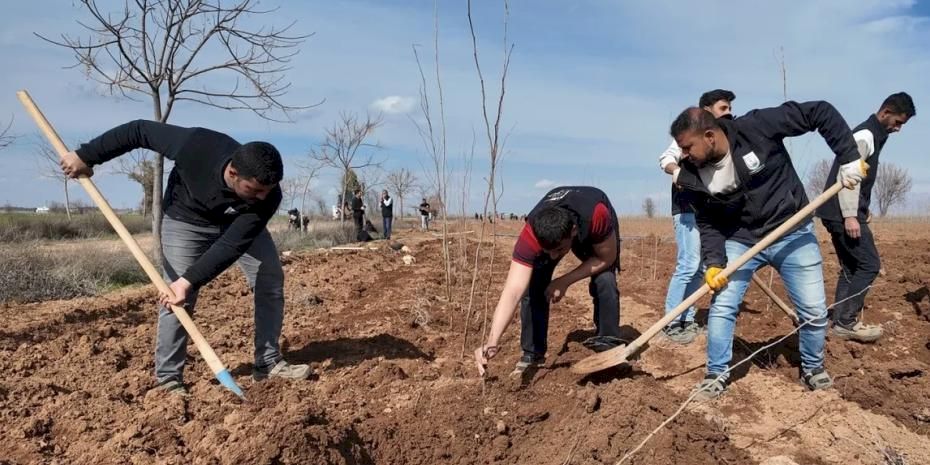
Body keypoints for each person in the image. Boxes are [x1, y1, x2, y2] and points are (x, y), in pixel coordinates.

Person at [58, 119, 310, 395]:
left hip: (236, 225)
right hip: (186, 221)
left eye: (268, 190)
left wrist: (190, 279)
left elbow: (231, 245)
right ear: (233, 172)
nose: (263, 197)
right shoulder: (197, 146)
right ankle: (169, 379)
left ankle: (268, 363)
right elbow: (138, 130)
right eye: (254, 190)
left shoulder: (267, 197)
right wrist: (86, 156)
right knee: (176, 296)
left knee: (269, 278)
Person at [670, 101, 866, 400]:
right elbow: (708, 220)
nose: (683, 155)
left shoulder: (756, 127)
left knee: (813, 311)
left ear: (709, 136)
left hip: (792, 230)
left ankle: (813, 368)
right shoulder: (693, 172)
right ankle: (715, 374)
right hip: (740, 239)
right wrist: (714, 263)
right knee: (722, 306)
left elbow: (819, 112)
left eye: (686, 147)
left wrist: (849, 157)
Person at [474, 186, 625, 376]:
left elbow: (606, 258)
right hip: (558, 233)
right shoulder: (531, 234)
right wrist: (492, 340)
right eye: (548, 250)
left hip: (593, 225)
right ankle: (533, 353)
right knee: (532, 286)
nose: (554, 256)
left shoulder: (597, 215)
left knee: (605, 280)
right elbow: (513, 291)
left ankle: (608, 345)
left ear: (573, 231)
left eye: (559, 250)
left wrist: (565, 281)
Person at [816, 92, 916, 342]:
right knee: (869, 265)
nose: (898, 129)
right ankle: (847, 322)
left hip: (836, 211)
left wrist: (863, 209)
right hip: (841, 212)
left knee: (851, 267)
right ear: (885, 113)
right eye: (898, 122)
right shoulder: (865, 136)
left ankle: (840, 320)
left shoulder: (873, 134)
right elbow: (848, 177)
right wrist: (851, 215)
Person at [658, 89, 736, 344]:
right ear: (706, 112)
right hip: (687, 210)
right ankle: (671, 321)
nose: (729, 113)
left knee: (701, 267)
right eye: (723, 108)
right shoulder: (691, 132)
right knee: (688, 264)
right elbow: (666, 158)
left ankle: (687, 317)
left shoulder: (724, 138)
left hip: (707, 214)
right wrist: (678, 173)